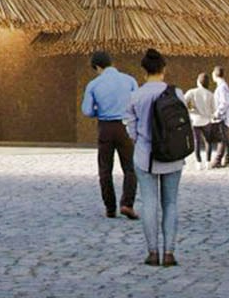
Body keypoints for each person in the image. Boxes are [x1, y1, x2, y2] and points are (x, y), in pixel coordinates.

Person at [122, 48, 188, 267]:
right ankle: (169, 253)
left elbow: (130, 128)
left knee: (149, 203)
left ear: (144, 71)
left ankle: (152, 252)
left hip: (145, 156)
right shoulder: (176, 93)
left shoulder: (136, 96)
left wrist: (140, 139)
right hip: (172, 156)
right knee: (170, 203)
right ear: (164, 69)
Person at [80, 51, 139, 219]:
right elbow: (138, 104)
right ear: (111, 62)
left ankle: (110, 207)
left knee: (105, 169)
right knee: (130, 167)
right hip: (126, 127)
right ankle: (127, 204)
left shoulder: (93, 84)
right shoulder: (130, 80)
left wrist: (99, 110)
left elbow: (87, 110)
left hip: (105, 128)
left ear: (97, 67)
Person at [184, 73, 217, 170]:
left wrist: (190, 108)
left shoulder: (192, 92)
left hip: (195, 120)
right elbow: (213, 109)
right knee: (208, 141)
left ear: (198, 81)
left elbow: (183, 100)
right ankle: (208, 162)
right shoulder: (210, 94)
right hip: (206, 120)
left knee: (196, 141)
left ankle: (198, 163)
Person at [209, 65, 229, 169]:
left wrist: (217, 114)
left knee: (222, 139)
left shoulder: (222, 87)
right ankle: (228, 161)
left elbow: (224, 102)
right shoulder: (223, 86)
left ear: (214, 74)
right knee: (225, 139)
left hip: (222, 117)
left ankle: (217, 161)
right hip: (224, 117)